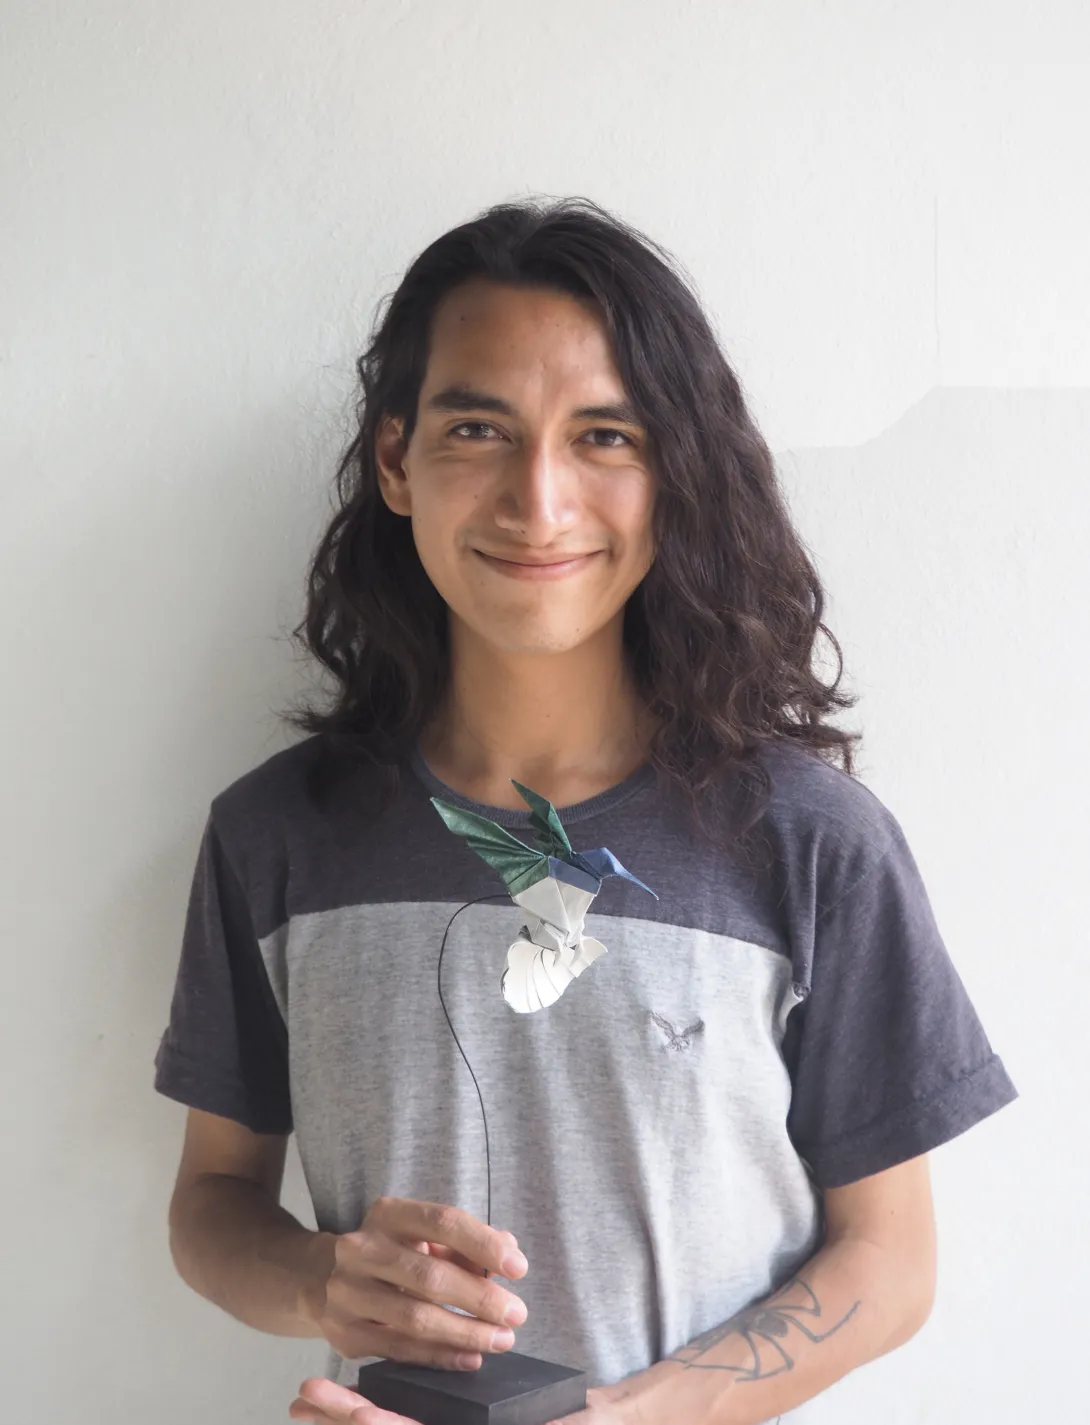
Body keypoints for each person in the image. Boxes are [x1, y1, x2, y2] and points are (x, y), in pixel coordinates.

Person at [154, 196, 1018, 1425]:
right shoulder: (275, 835)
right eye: (478, 429)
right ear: (396, 462)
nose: (537, 500)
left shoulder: (810, 843)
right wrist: (319, 1279)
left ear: (675, 471)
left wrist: (635, 1415)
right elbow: (210, 1205)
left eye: (605, 435)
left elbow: (889, 1260)